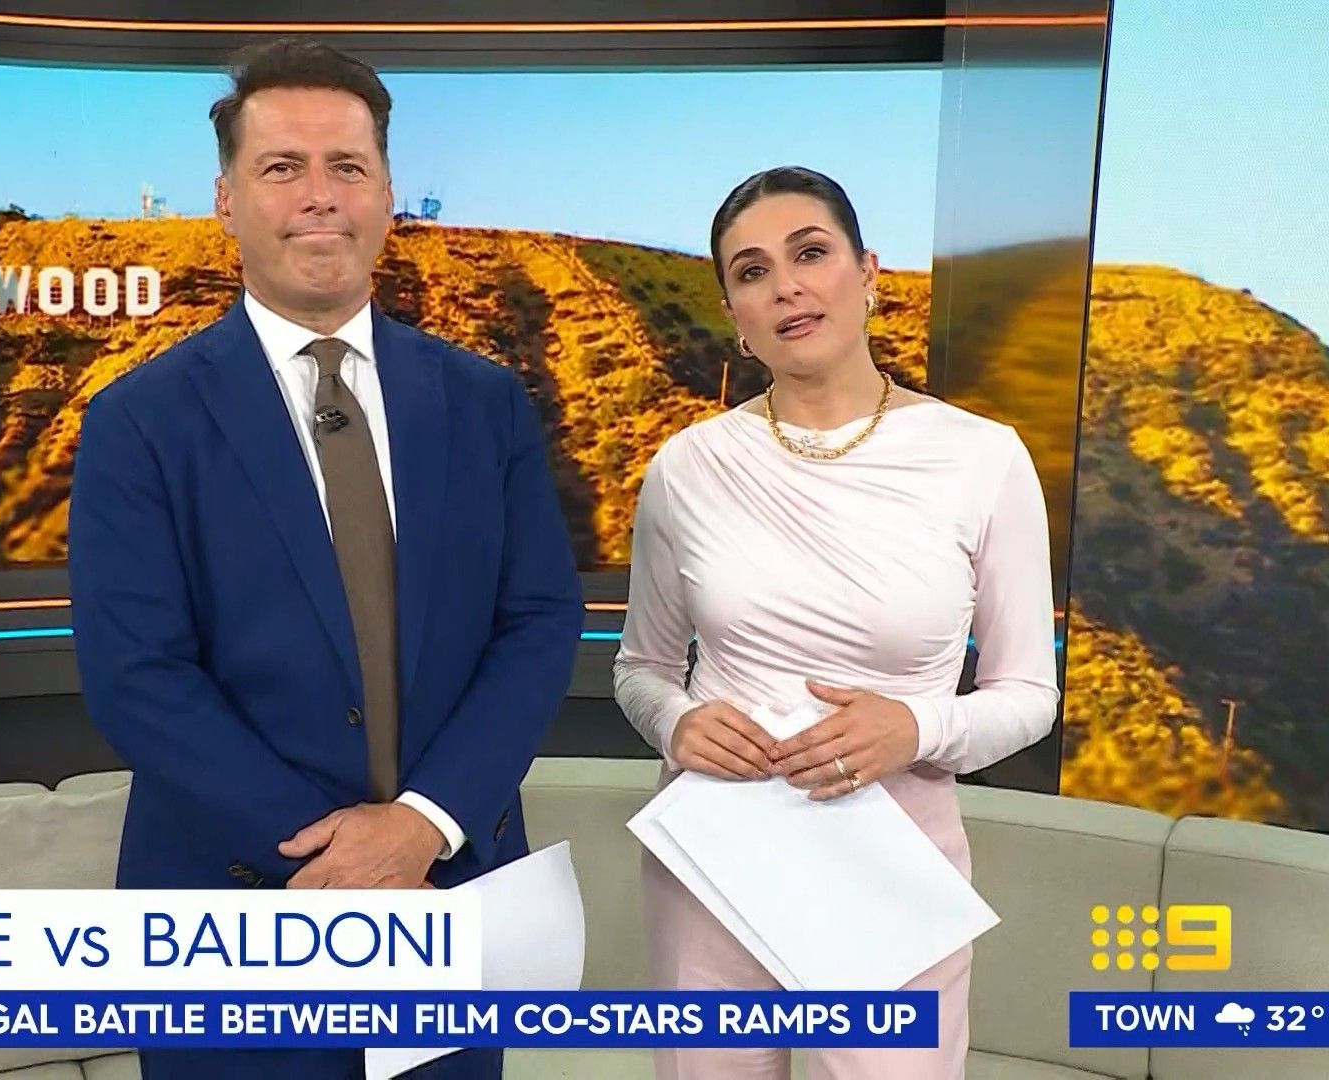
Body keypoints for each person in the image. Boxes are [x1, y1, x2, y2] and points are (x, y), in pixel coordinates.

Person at [67, 37, 583, 1080]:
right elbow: (139, 677)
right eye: (282, 167)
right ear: (225, 200)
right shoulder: (140, 421)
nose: (319, 196)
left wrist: (421, 828)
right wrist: (349, 856)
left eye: (347, 166)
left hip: (448, 901)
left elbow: (537, 622)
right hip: (236, 920)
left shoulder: (485, 403)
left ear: (387, 194)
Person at [612, 166, 1060, 1079]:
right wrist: (678, 723)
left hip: (892, 865)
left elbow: (1028, 693)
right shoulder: (687, 467)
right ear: (735, 313)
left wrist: (915, 728)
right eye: (752, 271)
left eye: (810, 253)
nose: (786, 286)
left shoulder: (982, 458)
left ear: (868, 273)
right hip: (718, 854)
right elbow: (640, 668)